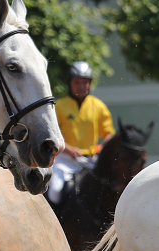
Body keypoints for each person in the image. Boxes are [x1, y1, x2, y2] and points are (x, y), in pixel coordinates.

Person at [47, 61, 114, 206]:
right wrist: (68, 149)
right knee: (55, 191)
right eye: (77, 82)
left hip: (92, 161)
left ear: (90, 83)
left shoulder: (99, 106)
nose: (81, 86)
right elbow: (51, 136)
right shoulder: (58, 106)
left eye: (85, 82)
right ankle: (55, 226)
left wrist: (105, 147)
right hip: (65, 160)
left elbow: (108, 134)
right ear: (70, 83)